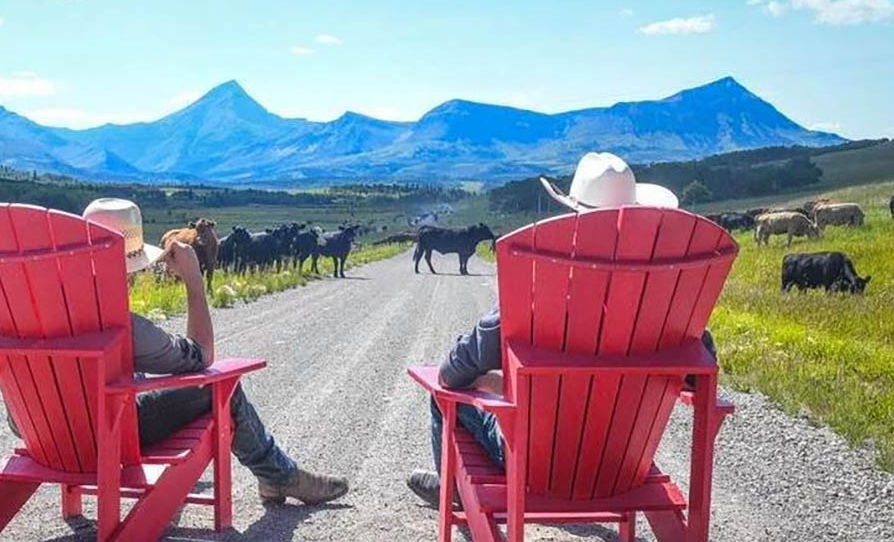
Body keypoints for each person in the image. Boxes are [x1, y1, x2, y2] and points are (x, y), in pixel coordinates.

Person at [406, 153, 715, 506]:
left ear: (574, 217)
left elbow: (451, 372)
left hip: (540, 465)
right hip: (624, 463)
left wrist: (490, 381)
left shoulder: (545, 292)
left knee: (440, 397)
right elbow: (698, 376)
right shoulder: (669, 301)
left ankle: (452, 492)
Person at [73, 198, 349, 505]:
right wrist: (193, 279)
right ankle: (279, 476)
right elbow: (201, 355)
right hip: (111, 434)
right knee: (223, 386)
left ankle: (277, 477)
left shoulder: (27, 310)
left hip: (46, 436)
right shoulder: (125, 328)